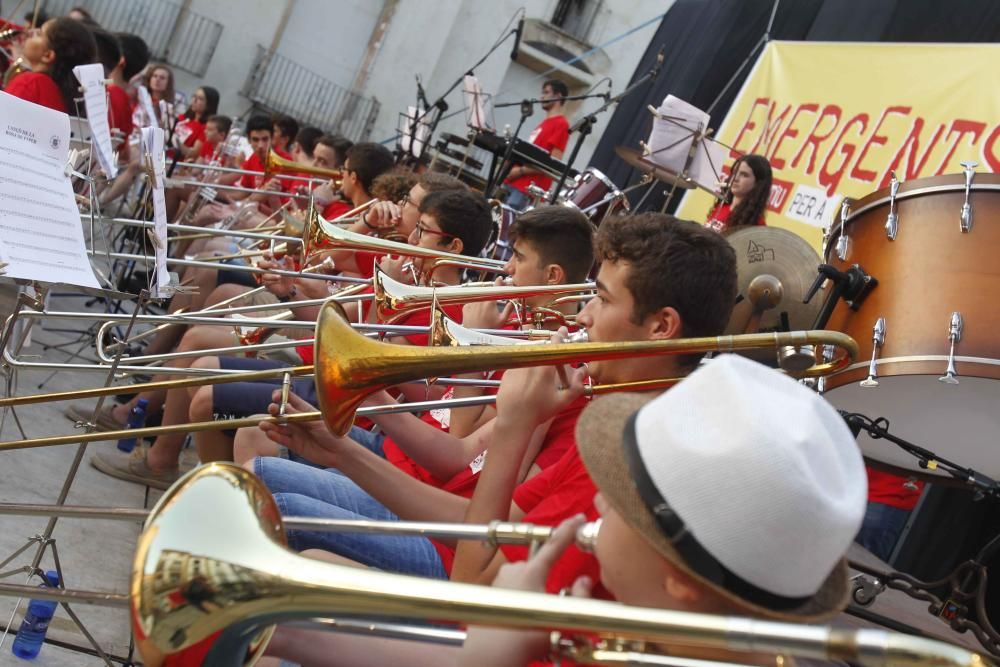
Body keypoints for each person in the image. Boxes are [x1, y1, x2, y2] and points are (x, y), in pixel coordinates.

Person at [251, 213, 737, 586]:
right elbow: (467, 469)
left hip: (461, 574)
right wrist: (340, 446)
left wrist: (512, 417)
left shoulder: (620, 434)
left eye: (603, 299)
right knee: (260, 480)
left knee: (270, 507)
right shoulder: (589, 383)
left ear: (660, 327)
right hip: (452, 531)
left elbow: (475, 570)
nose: (586, 315)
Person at [2, 16, 97, 114]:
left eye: (38, 34)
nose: (29, 33)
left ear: (47, 56)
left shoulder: (30, 83)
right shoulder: (64, 96)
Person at [502, 79, 570, 211]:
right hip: (515, 184)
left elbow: (553, 162)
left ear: (558, 96)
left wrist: (520, 171)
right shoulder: (544, 123)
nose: (542, 96)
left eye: (546, 92)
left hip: (528, 188)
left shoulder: (561, 124)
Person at [706, 154, 772, 233]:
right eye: (734, 172)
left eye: (744, 175)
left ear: (757, 183)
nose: (735, 178)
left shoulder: (756, 226)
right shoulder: (721, 208)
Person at [174, 86, 219, 159]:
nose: (194, 100)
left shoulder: (206, 128)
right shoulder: (183, 117)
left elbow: (193, 154)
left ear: (209, 105)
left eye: (200, 99)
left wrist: (174, 140)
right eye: (194, 96)